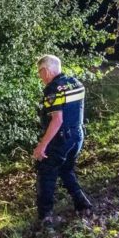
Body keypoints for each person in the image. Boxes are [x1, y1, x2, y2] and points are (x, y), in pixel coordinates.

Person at [33, 54, 93, 223]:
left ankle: (45, 217)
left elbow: (57, 120)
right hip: (77, 136)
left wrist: (42, 146)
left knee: (46, 172)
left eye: (40, 73)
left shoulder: (53, 88)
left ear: (45, 70)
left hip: (61, 138)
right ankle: (83, 203)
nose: (40, 77)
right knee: (66, 169)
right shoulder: (75, 82)